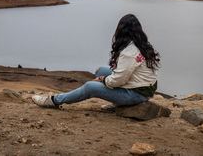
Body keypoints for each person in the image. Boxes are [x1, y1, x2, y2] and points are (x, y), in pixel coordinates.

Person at [32, 14, 160, 109]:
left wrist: (102, 80)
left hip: (137, 94)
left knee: (90, 87)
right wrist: (102, 76)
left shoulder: (129, 52)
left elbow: (118, 80)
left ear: (121, 30)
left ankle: (54, 101)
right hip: (144, 88)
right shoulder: (143, 43)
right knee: (100, 70)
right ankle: (118, 102)